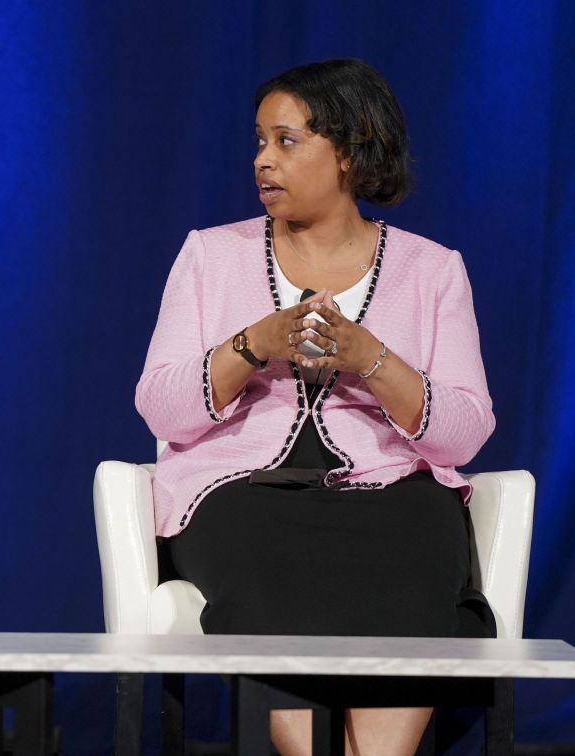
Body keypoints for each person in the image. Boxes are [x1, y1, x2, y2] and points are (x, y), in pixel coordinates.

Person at [135, 59, 496, 756]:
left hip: (391, 497)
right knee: (261, 537)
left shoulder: (432, 269)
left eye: (286, 141)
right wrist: (251, 343)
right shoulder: (211, 256)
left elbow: (464, 432)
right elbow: (161, 410)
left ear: (352, 149)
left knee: (423, 522)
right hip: (241, 498)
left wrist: (370, 359)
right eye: (259, 142)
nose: (263, 161)